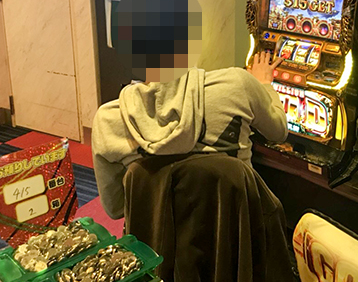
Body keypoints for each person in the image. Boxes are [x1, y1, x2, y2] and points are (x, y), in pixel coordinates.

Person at [91, 51, 287, 219]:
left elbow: (116, 208)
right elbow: (278, 131)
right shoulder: (239, 84)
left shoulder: (107, 119)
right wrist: (263, 84)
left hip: (155, 242)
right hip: (238, 234)